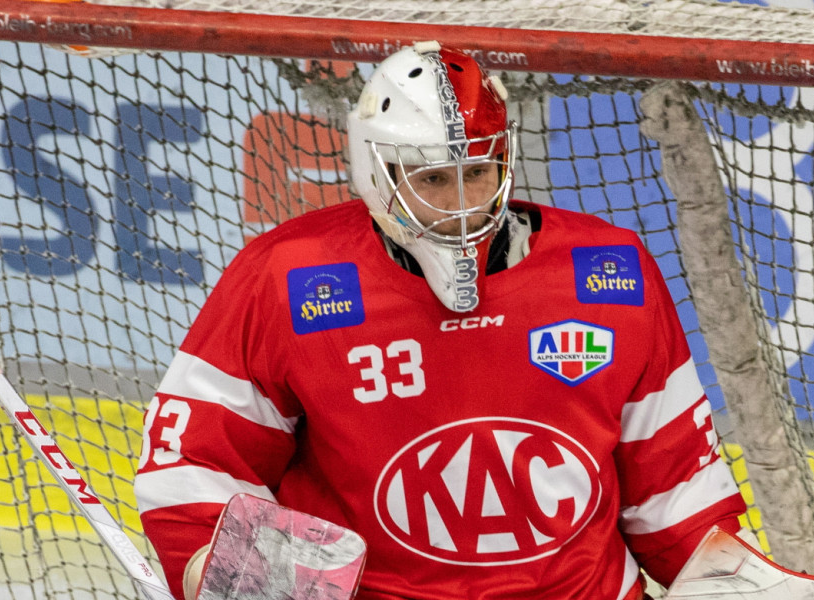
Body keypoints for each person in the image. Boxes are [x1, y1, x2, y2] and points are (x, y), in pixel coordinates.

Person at [134, 41, 747, 600]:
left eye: (476, 173)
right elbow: (196, 461)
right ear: (380, 172)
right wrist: (227, 573)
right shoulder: (287, 277)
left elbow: (677, 498)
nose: (460, 206)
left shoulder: (611, 273)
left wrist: (742, 583)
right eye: (432, 179)